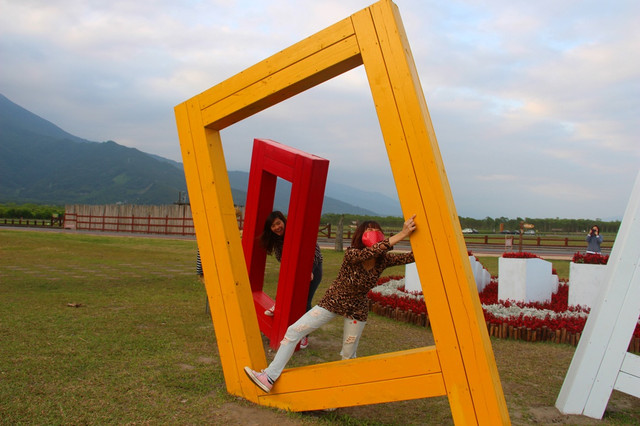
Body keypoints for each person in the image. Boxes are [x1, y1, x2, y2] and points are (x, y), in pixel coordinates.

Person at [244, 215, 417, 393]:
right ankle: (269, 376)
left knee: (349, 355)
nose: (373, 233)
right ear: (360, 235)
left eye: (375, 230)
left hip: (357, 309)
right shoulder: (353, 253)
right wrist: (402, 233)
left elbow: (411, 257)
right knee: (294, 331)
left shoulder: (383, 260)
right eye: (368, 230)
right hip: (334, 301)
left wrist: (417, 235)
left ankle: (337, 396)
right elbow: (370, 252)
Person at [259, 211, 323, 349]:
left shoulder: (298, 232)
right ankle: (279, 305)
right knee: (288, 293)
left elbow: (315, 253)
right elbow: (282, 260)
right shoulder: (277, 241)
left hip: (313, 270)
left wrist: (309, 270)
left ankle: (304, 335)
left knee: (305, 302)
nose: (277, 227)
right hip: (295, 271)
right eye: (273, 226)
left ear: (284, 221)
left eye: (278, 223)